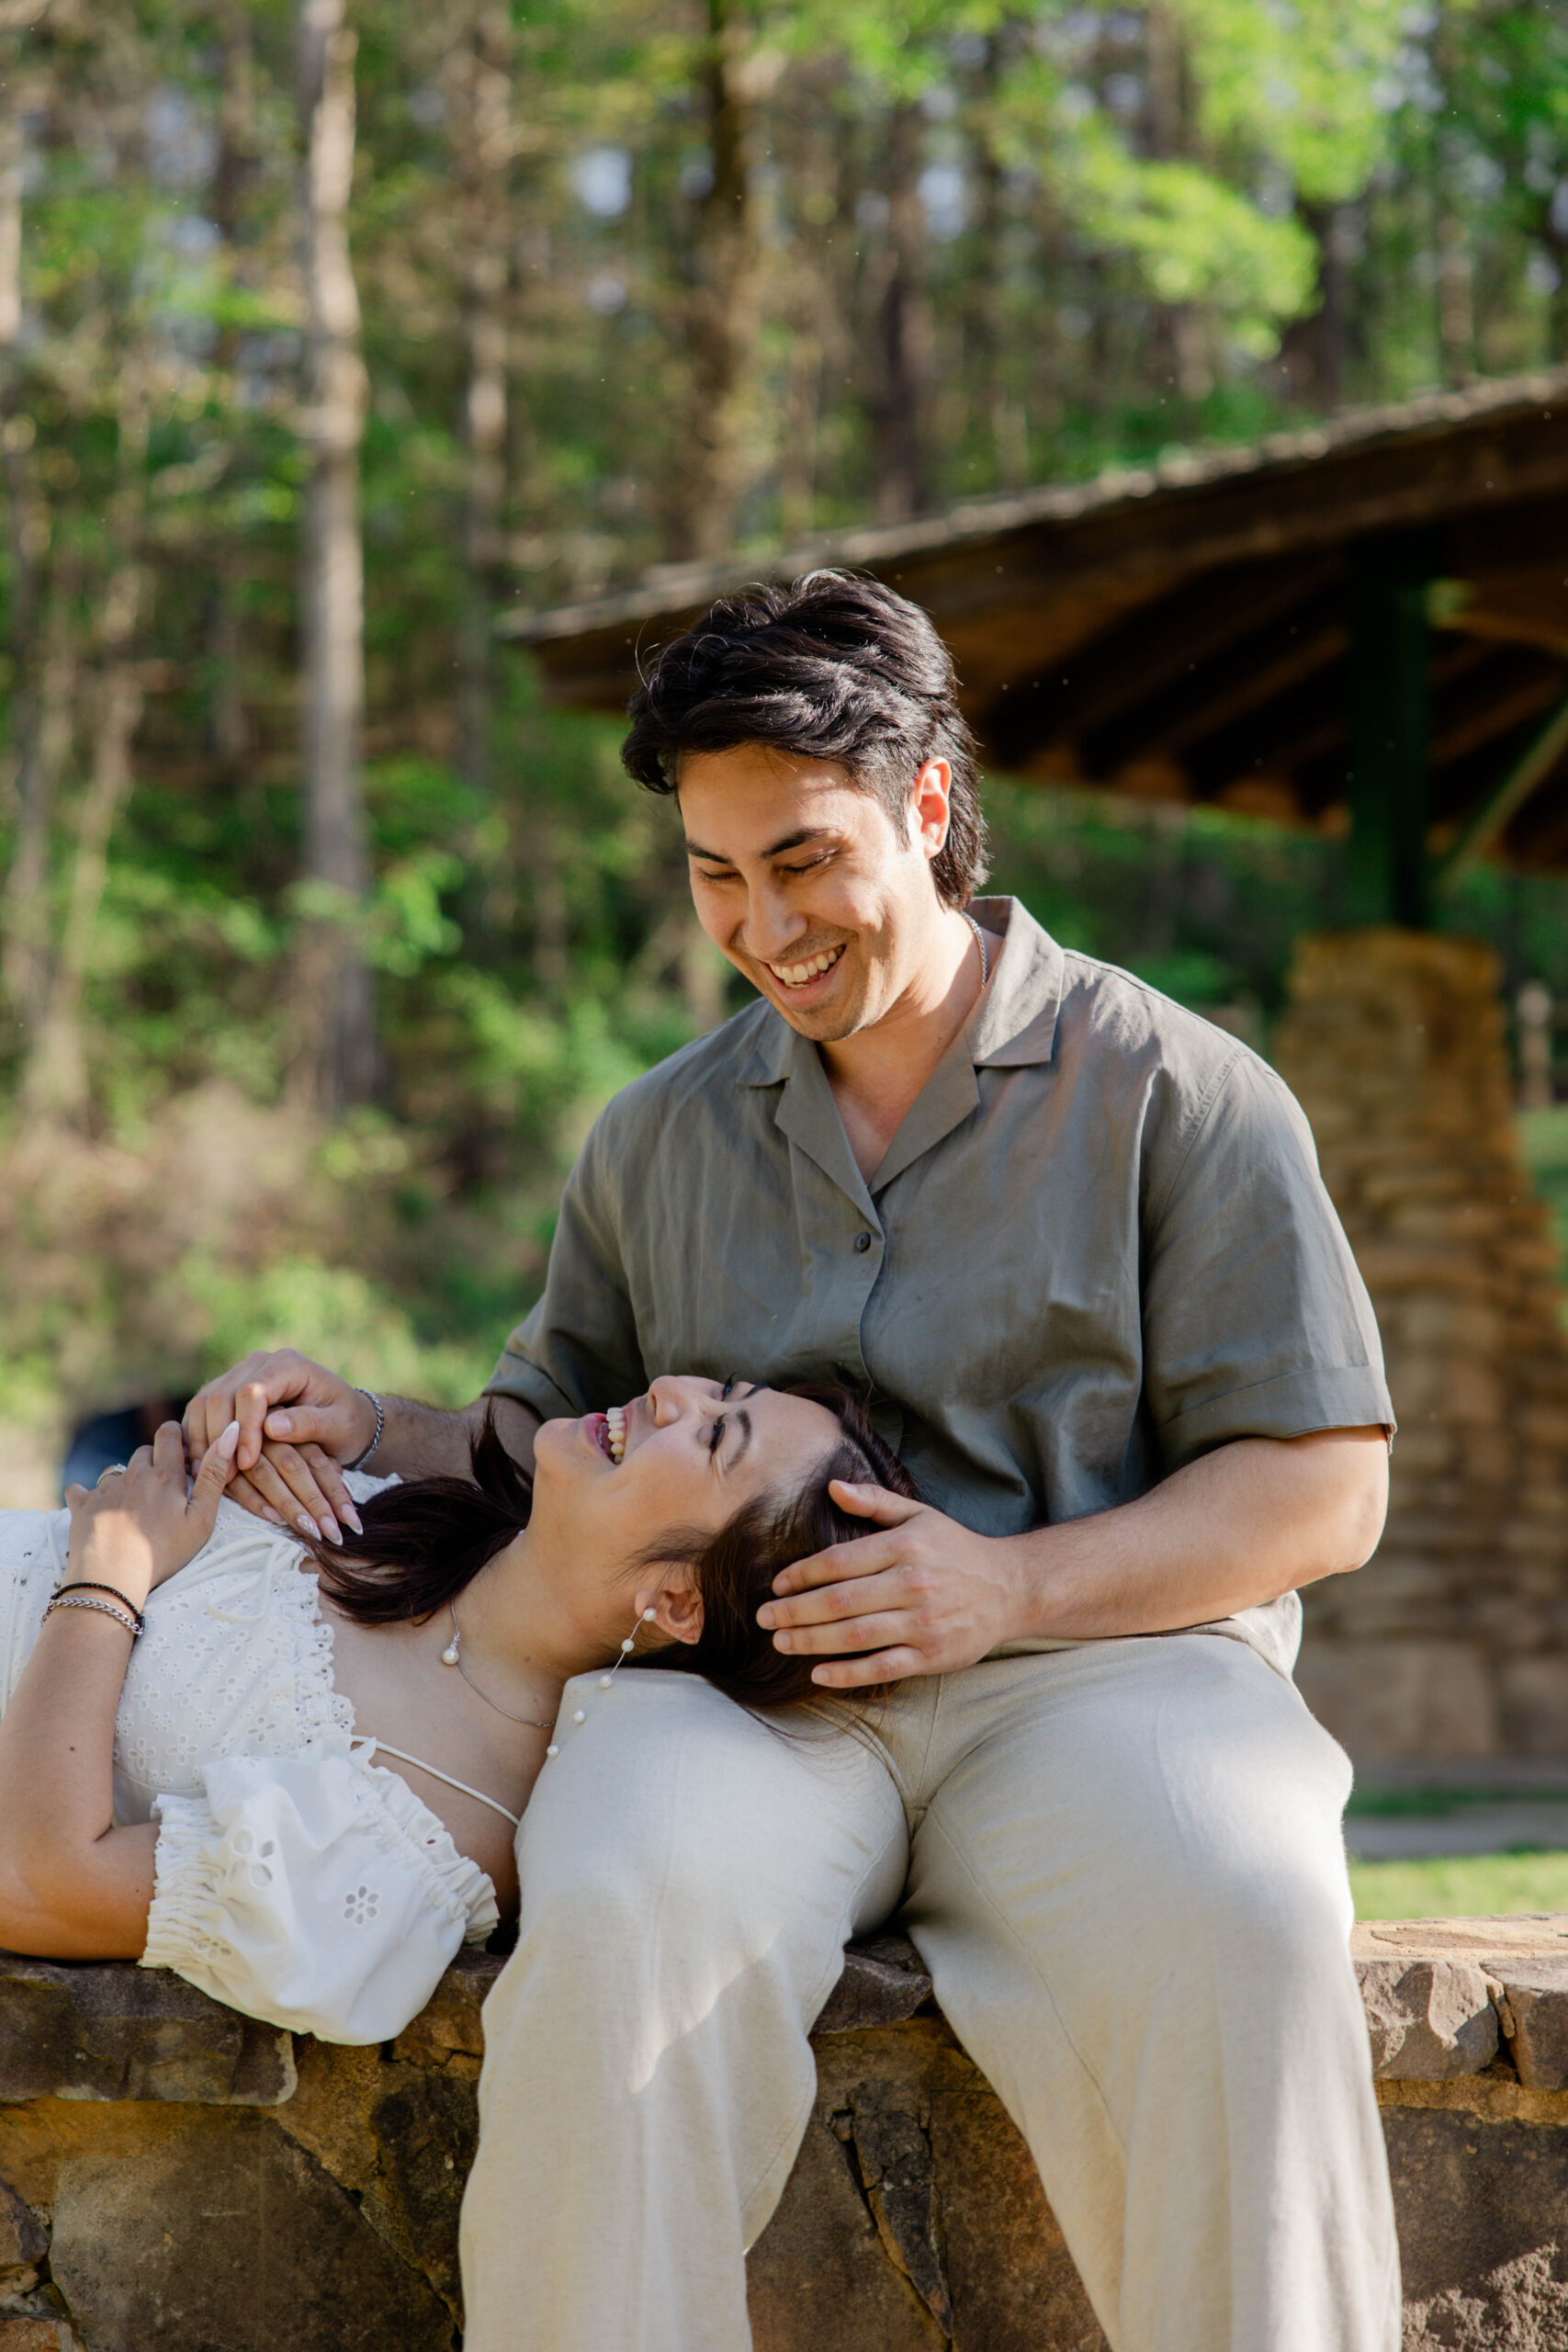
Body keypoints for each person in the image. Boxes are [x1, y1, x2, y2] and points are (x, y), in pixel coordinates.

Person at [186, 571, 1402, 2352]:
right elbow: (545, 1438)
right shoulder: (658, 1131)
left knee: (1245, 1907)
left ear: (925, 804)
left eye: (802, 859)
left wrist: (1009, 1583)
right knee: (613, 1914)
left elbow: (1320, 1485)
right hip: (730, 1698)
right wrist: (362, 1419)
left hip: (1098, 1674)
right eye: (713, 872)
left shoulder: (1173, 1088)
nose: (762, 924)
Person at [0, 1376, 909, 2046]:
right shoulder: (409, 1513)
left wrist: (106, 1577)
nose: (672, 1391)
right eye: (718, 1390)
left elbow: (45, 1884)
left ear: (680, 1602)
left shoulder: (404, 1850)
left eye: (716, 1437)